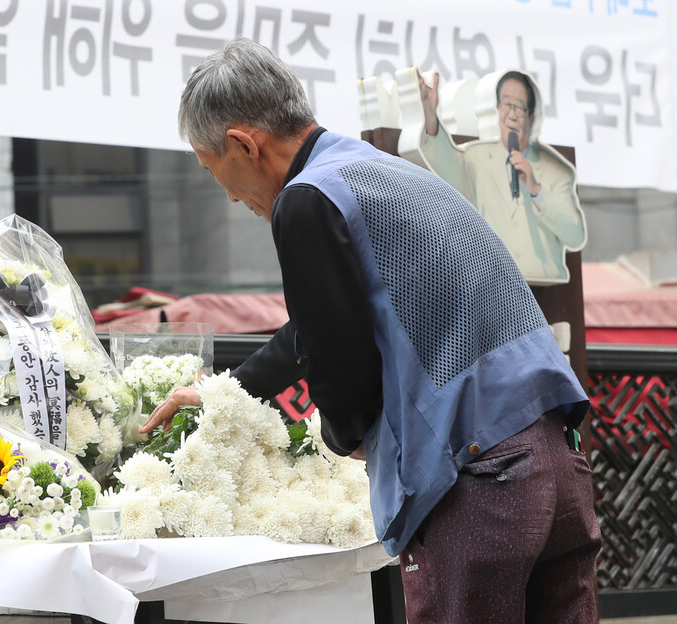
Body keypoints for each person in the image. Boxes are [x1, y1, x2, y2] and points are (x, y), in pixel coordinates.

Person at [140, 38, 601, 623]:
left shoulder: (306, 199)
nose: (229, 195)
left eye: (214, 172)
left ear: (243, 145)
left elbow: (341, 365)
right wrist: (227, 390)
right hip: (559, 464)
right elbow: (317, 324)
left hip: (484, 481)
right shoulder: (378, 173)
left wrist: (342, 437)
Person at [418, 70, 586, 284]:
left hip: (544, 292)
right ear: (498, 109)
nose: (512, 114)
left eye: (520, 107)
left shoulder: (557, 171)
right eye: (507, 105)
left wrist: (536, 190)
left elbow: (575, 236)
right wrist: (430, 117)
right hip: (492, 287)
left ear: (531, 117)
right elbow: (446, 165)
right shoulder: (477, 158)